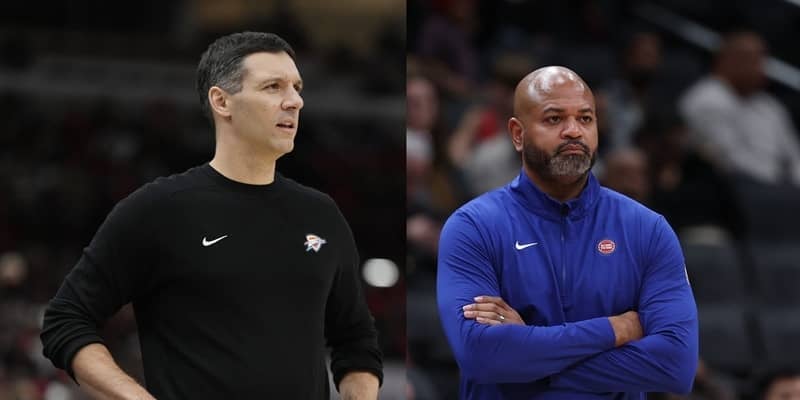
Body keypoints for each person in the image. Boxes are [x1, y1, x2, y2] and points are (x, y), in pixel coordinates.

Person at [39, 32, 382, 399]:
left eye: (296, 87)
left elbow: (356, 341)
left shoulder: (322, 214)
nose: (295, 101)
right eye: (273, 87)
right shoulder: (159, 209)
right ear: (221, 101)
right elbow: (66, 318)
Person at [436, 66, 698, 399]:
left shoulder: (647, 229)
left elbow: (675, 366)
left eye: (585, 119)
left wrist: (527, 357)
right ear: (517, 134)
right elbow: (481, 356)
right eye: (554, 119)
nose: (573, 131)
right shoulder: (473, 227)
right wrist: (616, 329)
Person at [679, 31, 800, 185]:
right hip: (729, 188)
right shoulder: (705, 100)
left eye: (762, 61)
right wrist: (780, 186)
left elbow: (794, 156)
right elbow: (730, 161)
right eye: (751, 60)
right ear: (726, 61)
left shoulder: (769, 104)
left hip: (781, 188)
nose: (760, 68)